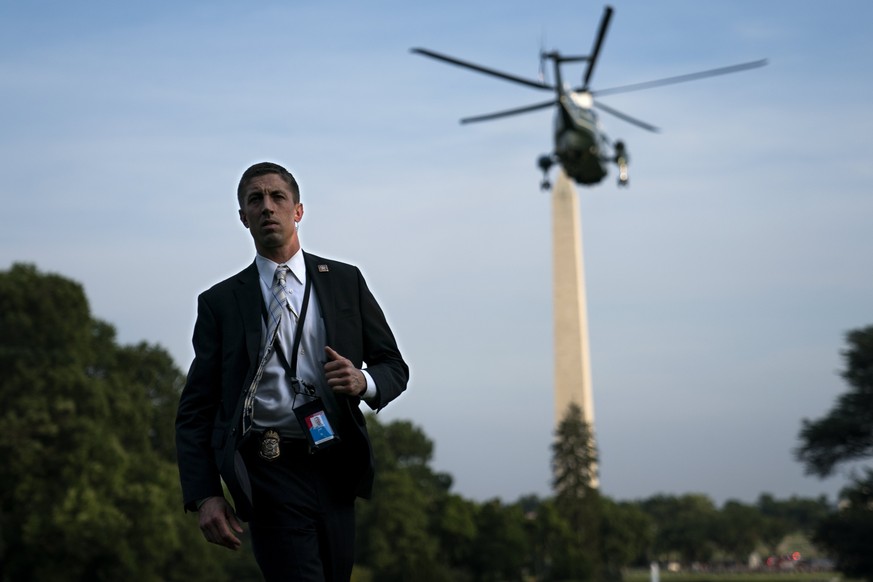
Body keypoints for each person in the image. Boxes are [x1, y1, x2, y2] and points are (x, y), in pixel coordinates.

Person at [175, 162, 409, 581]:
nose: (267, 207)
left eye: (277, 197)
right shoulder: (220, 303)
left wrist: (363, 381)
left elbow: (394, 366)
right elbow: (196, 409)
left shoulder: (345, 281)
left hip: (336, 462)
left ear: (298, 210)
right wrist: (205, 494)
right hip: (268, 467)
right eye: (255, 200)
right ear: (243, 217)